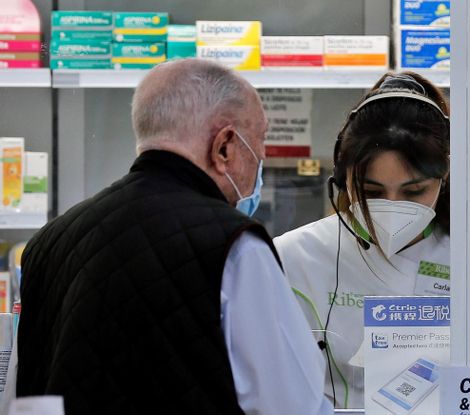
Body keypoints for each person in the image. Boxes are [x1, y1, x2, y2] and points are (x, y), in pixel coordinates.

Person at [16, 59, 332, 415]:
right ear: (225, 146)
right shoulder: (234, 246)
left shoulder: (49, 242)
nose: (261, 158)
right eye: (260, 143)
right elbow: (291, 405)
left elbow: (22, 392)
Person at [274, 71, 470, 409]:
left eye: (414, 191)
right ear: (341, 176)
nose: (393, 207)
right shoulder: (295, 257)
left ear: (445, 177)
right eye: (373, 192)